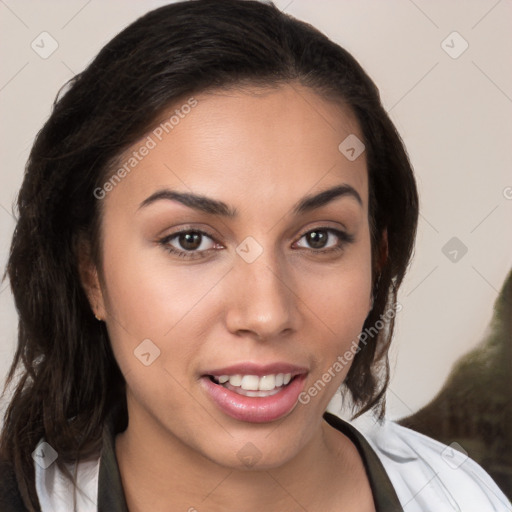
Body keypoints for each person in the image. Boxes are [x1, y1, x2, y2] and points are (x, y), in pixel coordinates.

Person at [0, 1, 510, 511]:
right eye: (191, 240)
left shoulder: (465, 498)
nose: (267, 314)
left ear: (377, 261)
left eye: (318, 238)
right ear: (91, 272)